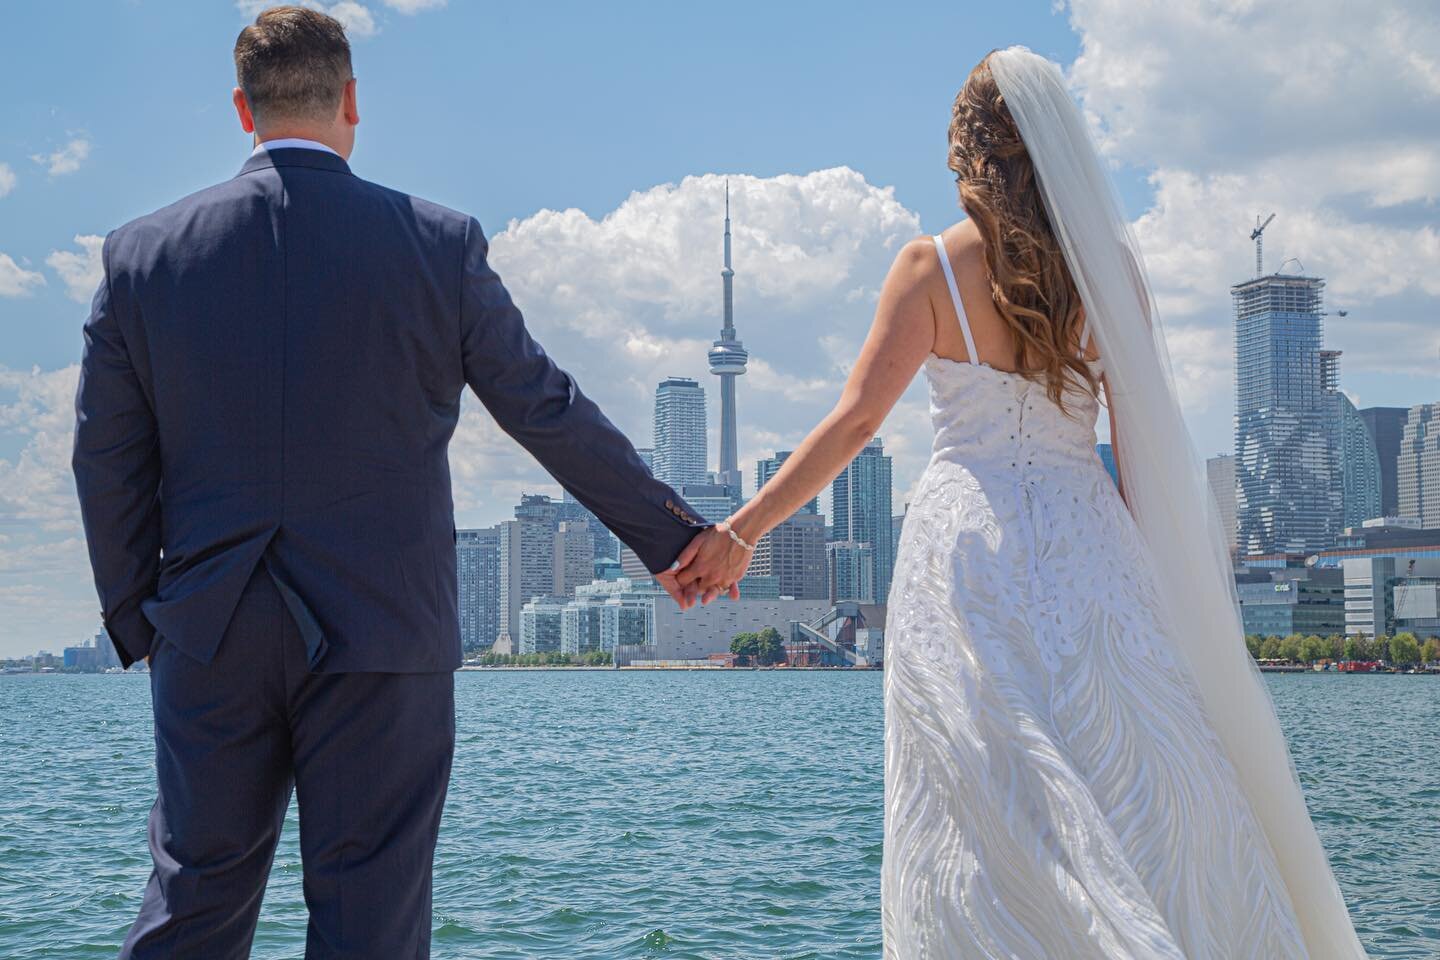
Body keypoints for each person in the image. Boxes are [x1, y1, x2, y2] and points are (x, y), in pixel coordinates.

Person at [672, 46, 1369, 958]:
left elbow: (851, 426)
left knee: (976, 785)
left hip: (969, 550)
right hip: (1092, 542)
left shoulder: (929, 266)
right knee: (1134, 762)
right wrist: (1160, 593)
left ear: (968, 146)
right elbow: (1140, 447)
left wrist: (738, 531)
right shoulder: (1107, 267)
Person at [70, 6, 712, 957]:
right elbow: (544, 408)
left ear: (242, 110)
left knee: (193, 906)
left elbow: (105, 460)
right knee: (370, 925)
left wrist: (142, 621)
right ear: (352, 102)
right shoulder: (437, 245)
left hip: (208, 634)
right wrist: (675, 539)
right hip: (385, 631)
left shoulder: (141, 257)